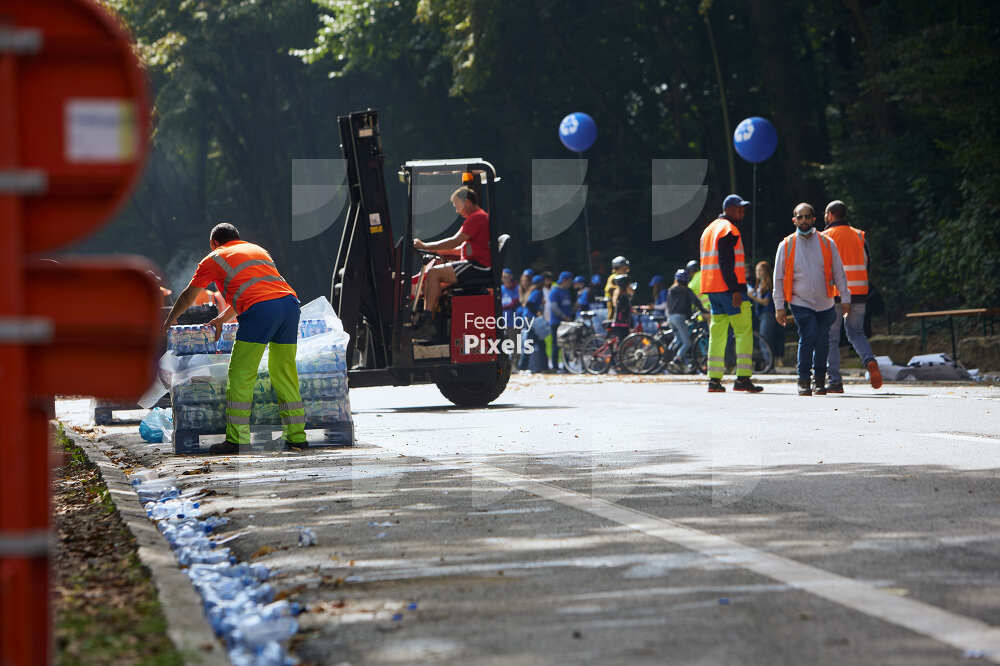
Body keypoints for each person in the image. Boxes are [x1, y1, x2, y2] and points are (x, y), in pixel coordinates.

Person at [162, 223, 305, 453]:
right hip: (289, 306)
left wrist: (170, 319)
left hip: (261, 311)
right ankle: (297, 437)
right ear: (238, 238)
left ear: (214, 243)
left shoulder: (214, 258)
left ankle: (237, 439)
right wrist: (221, 318)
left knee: (241, 374)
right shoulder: (258, 251)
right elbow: (254, 289)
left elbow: (190, 294)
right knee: (284, 371)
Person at [773, 203, 851, 396]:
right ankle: (804, 380)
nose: (804, 220)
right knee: (808, 336)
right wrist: (779, 306)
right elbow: (778, 277)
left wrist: (846, 297)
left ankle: (819, 381)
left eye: (808, 216)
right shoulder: (786, 245)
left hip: (825, 302)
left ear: (814, 219)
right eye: (800, 217)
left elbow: (839, 273)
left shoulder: (827, 243)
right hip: (800, 301)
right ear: (794, 220)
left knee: (822, 341)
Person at [698, 194, 763, 393]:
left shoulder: (709, 230)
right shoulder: (729, 230)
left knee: (717, 335)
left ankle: (714, 381)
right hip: (729, 290)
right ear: (728, 210)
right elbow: (727, 263)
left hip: (712, 289)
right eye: (738, 209)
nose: (741, 212)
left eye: (742, 209)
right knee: (743, 332)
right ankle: (743, 378)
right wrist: (735, 289)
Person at [412, 186, 492, 332]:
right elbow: (457, 248)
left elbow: (454, 241)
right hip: (474, 264)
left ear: (466, 202)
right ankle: (434, 320)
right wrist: (433, 250)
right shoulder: (474, 219)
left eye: (457, 205)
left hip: (478, 267)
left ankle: (427, 315)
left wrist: (425, 245)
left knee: (435, 273)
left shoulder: (477, 218)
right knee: (435, 276)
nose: (456, 210)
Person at [822, 200, 882, 392]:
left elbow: (822, 268)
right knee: (856, 332)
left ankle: (835, 381)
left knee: (831, 337)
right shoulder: (859, 235)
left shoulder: (825, 237)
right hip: (859, 292)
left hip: (835, 294)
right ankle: (869, 360)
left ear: (830, 215)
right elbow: (867, 263)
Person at [667, 269, 709, 372]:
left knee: (678, 339)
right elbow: (696, 301)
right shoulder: (686, 290)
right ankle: (677, 360)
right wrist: (703, 310)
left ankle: (667, 355)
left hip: (671, 317)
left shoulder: (671, 290)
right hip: (680, 318)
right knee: (687, 343)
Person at [747, 260, 784, 366]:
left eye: (760, 270)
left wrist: (752, 296)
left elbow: (766, 302)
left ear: (766, 271)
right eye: (756, 270)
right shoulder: (758, 285)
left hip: (767, 313)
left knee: (765, 339)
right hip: (760, 315)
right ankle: (767, 363)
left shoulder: (769, 284)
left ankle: (769, 363)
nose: (758, 273)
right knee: (763, 338)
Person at [548, 271, 575, 372]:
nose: (571, 283)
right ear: (564, 280)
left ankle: (566, 366)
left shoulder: (567, 292)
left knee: (567, 345)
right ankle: (555, 367)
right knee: (556, 344)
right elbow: (554, 307)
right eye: (569, 281)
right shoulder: (555, 292)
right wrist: (564, 317)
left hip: (566, 322)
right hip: (557, 322)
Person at [609, 273, 634, 345]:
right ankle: (618, 355)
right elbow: (625, 310)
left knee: (623, 343)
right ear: (626, 286)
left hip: (620, 323)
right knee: (623, 343)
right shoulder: (623, 297)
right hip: (621, 324)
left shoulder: (621, 295)